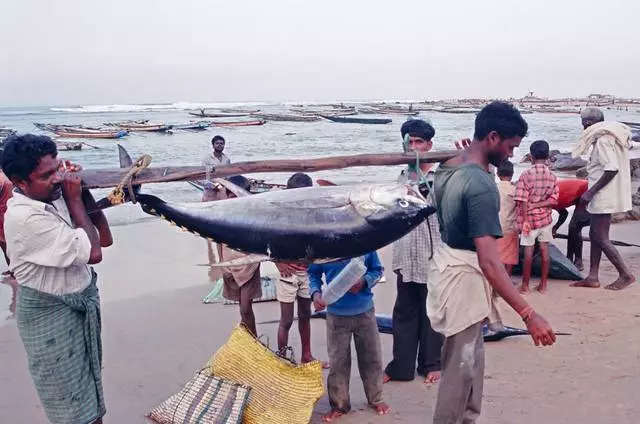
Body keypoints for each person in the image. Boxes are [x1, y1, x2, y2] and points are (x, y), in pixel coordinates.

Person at [428, 101, 556, 424]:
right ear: (494, 137)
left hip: (447, 269)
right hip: (464, 281)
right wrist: (529, 314)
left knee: (470, 364)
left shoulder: (447, 166)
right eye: (511, 147)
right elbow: (489, 261)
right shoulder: (481, 185)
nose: (512, 155)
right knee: (460, 370)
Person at [1, 134, 113, 424]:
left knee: (90, 397)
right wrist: (73, 197)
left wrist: (81, 191)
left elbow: (105, 237)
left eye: (57, 170)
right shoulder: (25, 218)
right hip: (52, 318)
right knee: (72, 410)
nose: (56, 179)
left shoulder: (51, 196)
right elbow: (95, 253)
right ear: (20, 182)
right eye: (46, 175)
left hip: (75, 307)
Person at [383, 119, 443, 385]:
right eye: (409, 142)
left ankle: (432, 364)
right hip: (406, 255)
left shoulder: (441, 178)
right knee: (405, 313)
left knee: (432, 313)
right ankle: (401, 367)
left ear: (429, 145)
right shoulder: (402, 177)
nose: (414, 147)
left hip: (433, 256)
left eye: (419, 141)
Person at [309, 253, 390, 422]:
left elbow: (377, 270)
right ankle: (339, 405)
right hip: (336, 315)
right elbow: (313, 273)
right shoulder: (323, 245)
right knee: (338, 362)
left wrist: (364, 282)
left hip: (365, 312)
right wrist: (315, 293)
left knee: (372, 359)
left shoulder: (363, 241)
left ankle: (376, 399)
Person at [570, 107, 635, 290]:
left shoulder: (603, 141)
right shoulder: (612, 137)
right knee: (593, 234)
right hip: (607, 193)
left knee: (600, 236)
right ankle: (593, 276)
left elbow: (611, 169)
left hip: (603, 195)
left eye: (583, 123)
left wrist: (590, 193)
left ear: (588, 124)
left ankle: (625, 274)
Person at [275, 173, 327, 367]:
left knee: (305, 316)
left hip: (307, 272)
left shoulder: (312, 215)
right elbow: (269, 243)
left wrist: (312, 262)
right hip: (287, 273)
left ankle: (307, 355)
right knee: (286, 320)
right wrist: (278, 263)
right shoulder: (281, 216)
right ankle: (282, 359)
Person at [210, 175, 262, 336]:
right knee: (242, 308)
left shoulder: (252, 215)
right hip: (230, 264)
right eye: (229, 194)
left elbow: (259, 240)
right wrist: (221, 264)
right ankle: (249, 340)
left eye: (236, 194)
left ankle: (253, 341)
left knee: (246, 307)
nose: (233, 198)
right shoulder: (223, 214)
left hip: (249, 266)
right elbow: (218, 241)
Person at [514, 140, 559, 294]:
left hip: (530, 220)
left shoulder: (526, 175)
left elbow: (522, 200)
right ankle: (543, 285)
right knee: (545, 250)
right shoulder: (552, 176)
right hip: (545, 219)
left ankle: (525, 286)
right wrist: (539, 205)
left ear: (531, 157)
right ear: (547, 156)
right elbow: (553, 200)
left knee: (528, 251)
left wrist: (526, 218)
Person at [551, 178, 589, 270]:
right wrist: (555, 228)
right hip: (579, 194)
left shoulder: (549, 198)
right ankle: (569, 258)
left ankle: (578, 260)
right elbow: (564, 213)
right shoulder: (552, 199)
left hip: (588, 192)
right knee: (572, 227)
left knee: (574, 226)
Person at [496, 160, 518, 275]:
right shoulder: (514, 190)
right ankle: (507, 278)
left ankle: (495, 278)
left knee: (496, 253)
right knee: (510, 254)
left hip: (495, 226)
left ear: (497, 174)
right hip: (509, 226)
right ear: (512, 174)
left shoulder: (493, 188)